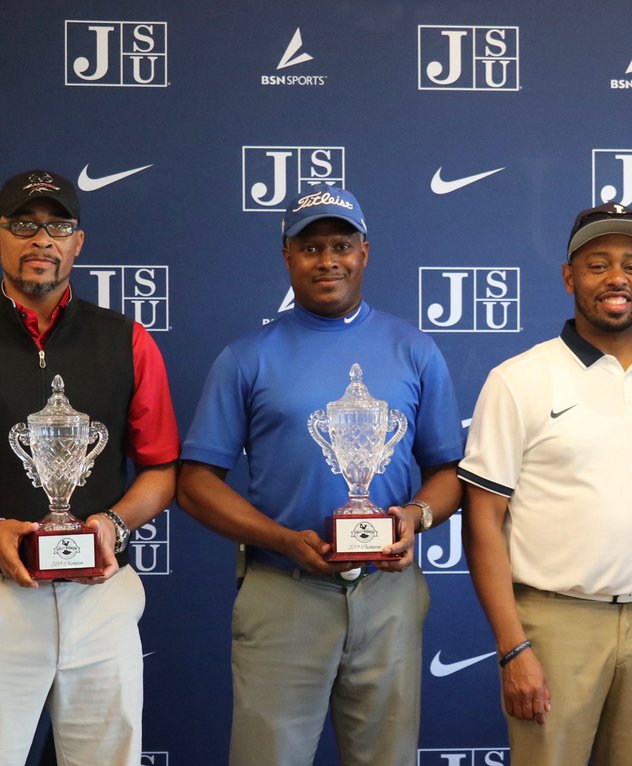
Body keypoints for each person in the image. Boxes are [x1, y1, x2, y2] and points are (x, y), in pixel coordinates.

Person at [176, 185, 463, 766]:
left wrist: (414, 516)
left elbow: (449, 471)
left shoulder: (414, 348)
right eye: (310, 247)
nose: (327, 259)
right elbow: (195, 483)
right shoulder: (247, 356)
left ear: (365, 252)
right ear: (287, 257)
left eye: (341, 245)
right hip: (285, 589)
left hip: (388, 593)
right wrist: (281, 539)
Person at [459, 203, 632, 765]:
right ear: (568, 277)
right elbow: (482, 521)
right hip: (554, 625)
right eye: (597, 264)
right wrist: (513, 649)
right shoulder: (518, 381)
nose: (616, 278)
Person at [0, 169, 179, 765]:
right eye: (24, 224)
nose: (41, 240)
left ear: (79, 242)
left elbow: (159, 470)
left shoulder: (127, 339)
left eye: (58, 226)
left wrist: (113, 524)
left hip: (99, 596)